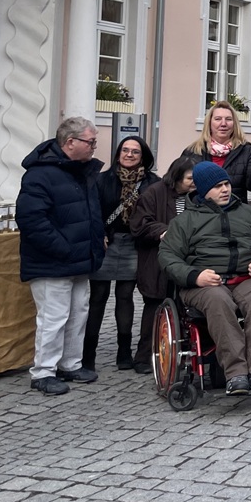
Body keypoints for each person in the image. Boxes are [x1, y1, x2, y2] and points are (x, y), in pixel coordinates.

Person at [159, 162, 251, 394]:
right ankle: (236, 374)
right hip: (205, 283)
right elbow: (167, 257)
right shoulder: (185, 221)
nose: (225, 189)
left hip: (246, 278)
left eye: (226, 184)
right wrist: (195, 276)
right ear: (203, 190)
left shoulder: (248, 213)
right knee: (218, 301)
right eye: (218, 186)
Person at [17, 117, 105, 395]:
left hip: (79, 259)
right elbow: (32, 221)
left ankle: (70, 364)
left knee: (78, 313)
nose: (94, 147)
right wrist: (63, 249)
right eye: (90, 142)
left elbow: (92, 213)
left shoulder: (82, 171)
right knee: (53, 318)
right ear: (70, 142)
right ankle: (43, 372)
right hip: (52, 262)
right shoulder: (39, 175)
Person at [86, 136, 158, 371]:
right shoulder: (101, 180)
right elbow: (92, 210)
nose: (129, 155)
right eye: (125, 150)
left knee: (125, 295)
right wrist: (99, 234)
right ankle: (88, 353)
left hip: (134, 245)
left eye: (135, 151)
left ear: (143, 157)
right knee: (98, 296)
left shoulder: (152, 183)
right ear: (118, 154)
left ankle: (124, 351)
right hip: (107, 242)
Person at [130, 156, 196, 374]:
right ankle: (144, 357)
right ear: (177, 177)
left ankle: (181, 353)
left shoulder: (198, 195)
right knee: (155, 308)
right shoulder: (154, 193)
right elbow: (140, 224)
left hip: (188, 261)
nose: (194, 182)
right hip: (157, 261)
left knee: (185, 309)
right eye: (189, 178)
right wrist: (164, 232)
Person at [185, 100, 251, 204]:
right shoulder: (193, 151)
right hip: (201, 211)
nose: (223, 124)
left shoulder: (246, 151)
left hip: (235, 211)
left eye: (228, 119)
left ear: (234, 124)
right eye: (218, 119)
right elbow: (181, 186)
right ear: (209, 123)